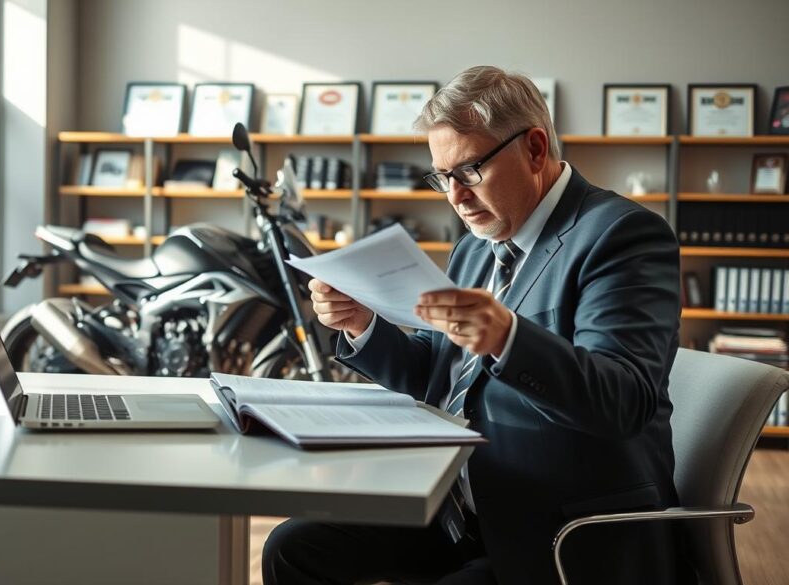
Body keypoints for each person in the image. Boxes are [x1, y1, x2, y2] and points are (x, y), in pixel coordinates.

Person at [262, 66, 686, 585]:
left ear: (534, 148)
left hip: (557, 525)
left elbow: (624, 401)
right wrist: (364, 324)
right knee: (293, 548)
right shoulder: (474, 247)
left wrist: (507, 339)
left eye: (469, 170)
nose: (455, 197)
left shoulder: (621, 236)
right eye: (442, 178)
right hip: (456, 505)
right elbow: (437, 375)